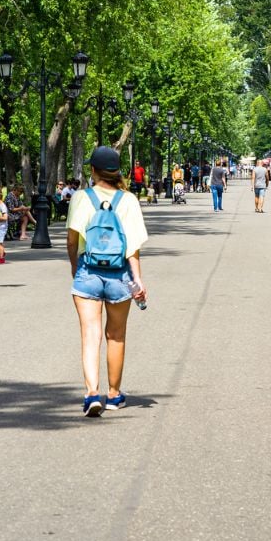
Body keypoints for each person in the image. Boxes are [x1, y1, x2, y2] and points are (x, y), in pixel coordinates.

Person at [66, 145, 149, 417]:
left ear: (93, 170)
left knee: (90, 336)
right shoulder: (129, 200)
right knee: (116, 335)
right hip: (120, 275)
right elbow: (132, 248)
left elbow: (72, 240)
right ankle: (114, 394)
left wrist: (76, 268)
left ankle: (92, 393)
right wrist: (138, 280)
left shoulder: (81, 197)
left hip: (88, 272)